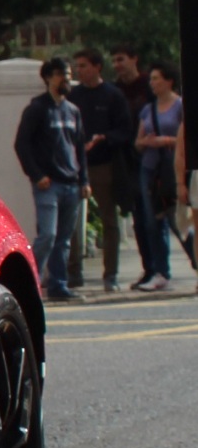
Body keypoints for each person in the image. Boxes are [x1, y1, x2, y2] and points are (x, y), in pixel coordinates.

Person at [17, 57, 87, 300]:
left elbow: (79, 148)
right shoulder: (37, 109)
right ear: (47, 78)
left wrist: (84, 180)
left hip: (71, 183)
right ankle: (28, 284)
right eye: (59, 74)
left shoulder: (73, 111)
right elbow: (22, 145)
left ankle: (58, 285)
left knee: (64, 240)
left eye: (67, 74)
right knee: (47, 235)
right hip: (49, 184)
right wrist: (37, 175)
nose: (65, 79)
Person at [68, 48, 134, 291]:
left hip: (103, 164)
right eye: (78, 66)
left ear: (97, 67)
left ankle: (111, 275)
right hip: (76, 165)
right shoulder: (74, 96)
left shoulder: (113, 96)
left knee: (109, 220)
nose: (80, 71)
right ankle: (73, 272)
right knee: (72, 221)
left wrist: (103, 138)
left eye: (84, 66)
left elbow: (125, 131)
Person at [132, 64, 184, 290]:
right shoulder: (148, 109)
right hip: (150, 169)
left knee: (180, 220)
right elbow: (138, 142)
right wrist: (147, 142)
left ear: (169, 81)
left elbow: (186, 139)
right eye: (151, 79)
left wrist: (166, 141)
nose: (152, 83)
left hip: (173, 168)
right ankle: (161, 271)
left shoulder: (180, 106)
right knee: (153, 221)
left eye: (157, 78)